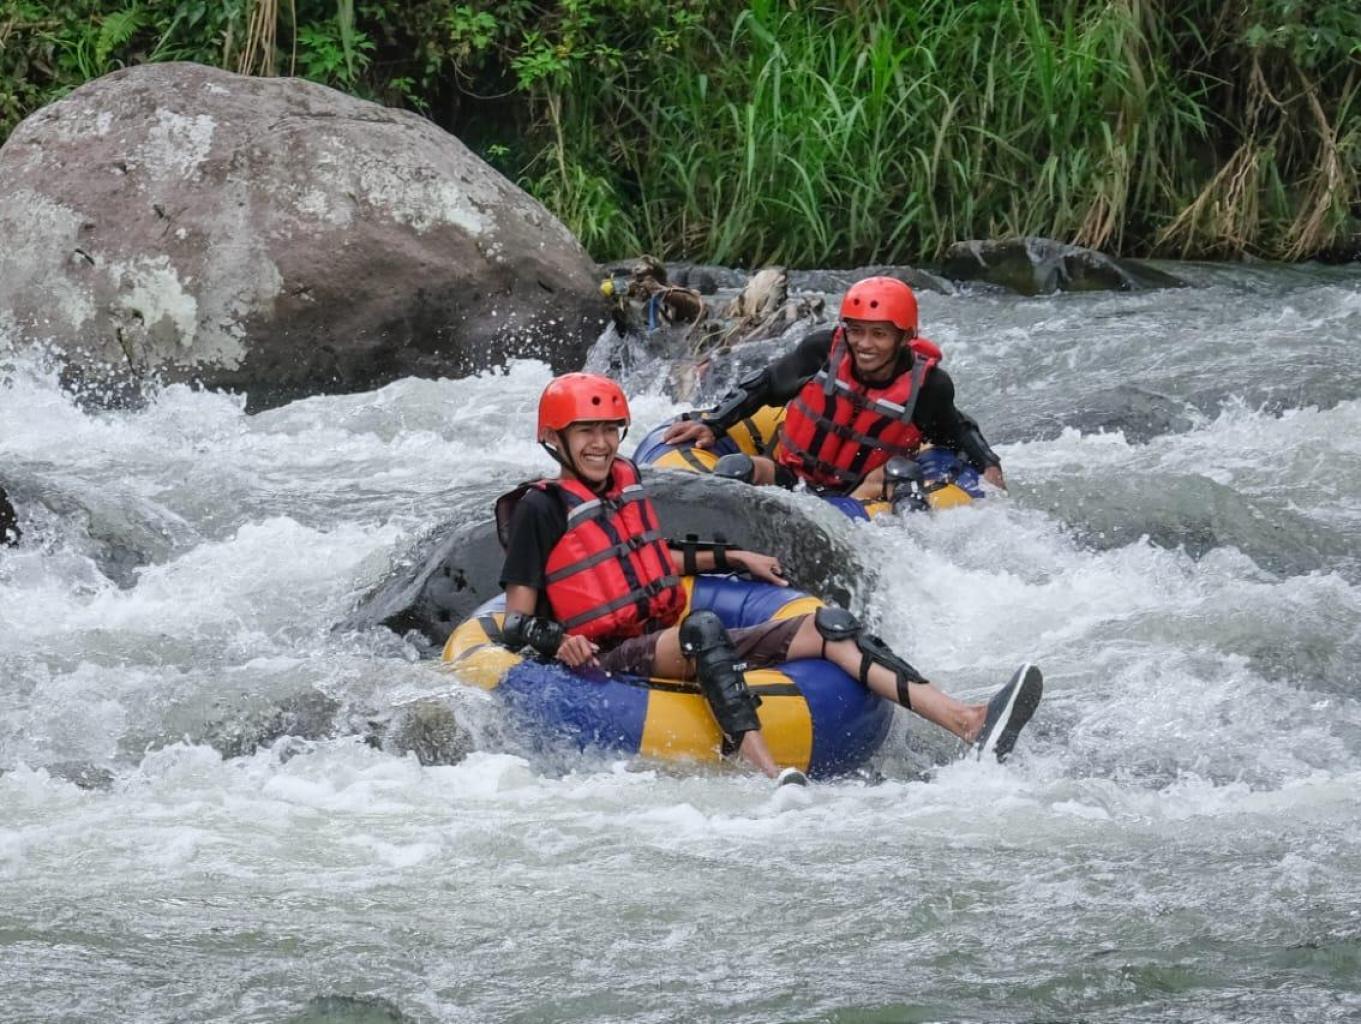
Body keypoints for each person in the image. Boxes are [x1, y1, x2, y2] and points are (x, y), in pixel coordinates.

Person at [495, 372, 1041, 784]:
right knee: (702, 629)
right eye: (586, 432)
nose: (601, 444)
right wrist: (559, 640)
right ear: (555, 440)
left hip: (657, 636)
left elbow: (645, 557)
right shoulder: (539, 511)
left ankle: (967, 721)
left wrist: (736, 557)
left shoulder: (623, 480)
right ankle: (767, 772)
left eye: (610, 431)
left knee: (829, 626)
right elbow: (515, 619)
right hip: (606, 656)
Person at [663, 276, 1005, 505]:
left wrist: (988, 465)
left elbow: (955, 430)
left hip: (861, 496)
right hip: (793, 478)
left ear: (904, 338)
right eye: (856, 331)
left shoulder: (928, 386)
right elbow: (767, 384)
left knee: (903, 476)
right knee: (737, 467)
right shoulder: (823, 351)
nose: (864, 345)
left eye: (879, 335)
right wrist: (715, 422)